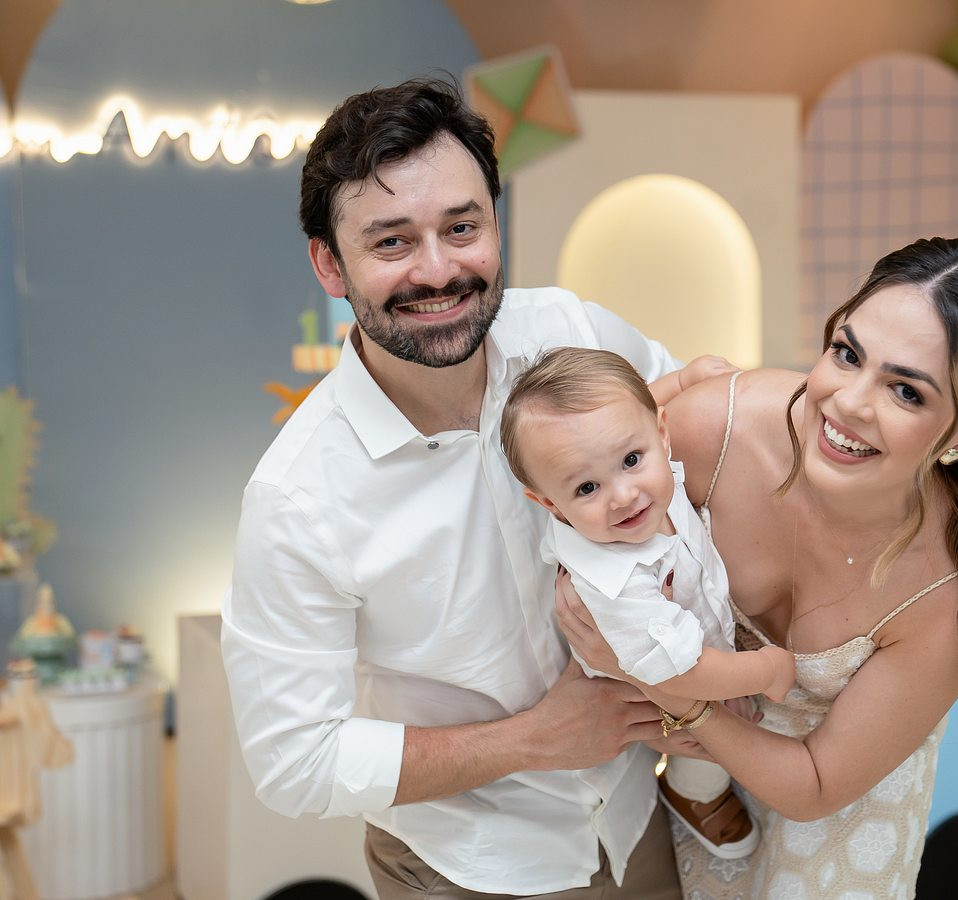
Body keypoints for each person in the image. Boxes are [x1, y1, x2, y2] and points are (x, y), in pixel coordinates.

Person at [220, 76, 732, 899]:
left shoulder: (569, 329)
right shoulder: (297, 497)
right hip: (463, 863)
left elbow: (701, 436)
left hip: (638, 820)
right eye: (391, 243)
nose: (438, 270)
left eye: (462, 228)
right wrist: (534, 740)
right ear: (329, 263)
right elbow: (294, 761)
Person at [559, 237, 958, 897]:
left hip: (837, 815)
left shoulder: (945, 592)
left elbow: (816, 785)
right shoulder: (715, 432)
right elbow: (583, 513)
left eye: (906, 391)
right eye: (847, 354)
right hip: (692, 792)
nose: (848, 403)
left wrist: (673, 694)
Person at [498, 346, 796, 860]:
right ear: (549, 503)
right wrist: (765, 670)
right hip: (653, 681)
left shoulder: (634, 464)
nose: (623, 496)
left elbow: (622, 418)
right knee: (706, 743)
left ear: (661, 432)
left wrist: (683, 380)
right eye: (586, 488)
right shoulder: (613, 581)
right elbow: (684, 673)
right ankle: (694, 793)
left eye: (631, 460)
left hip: (692, 629)